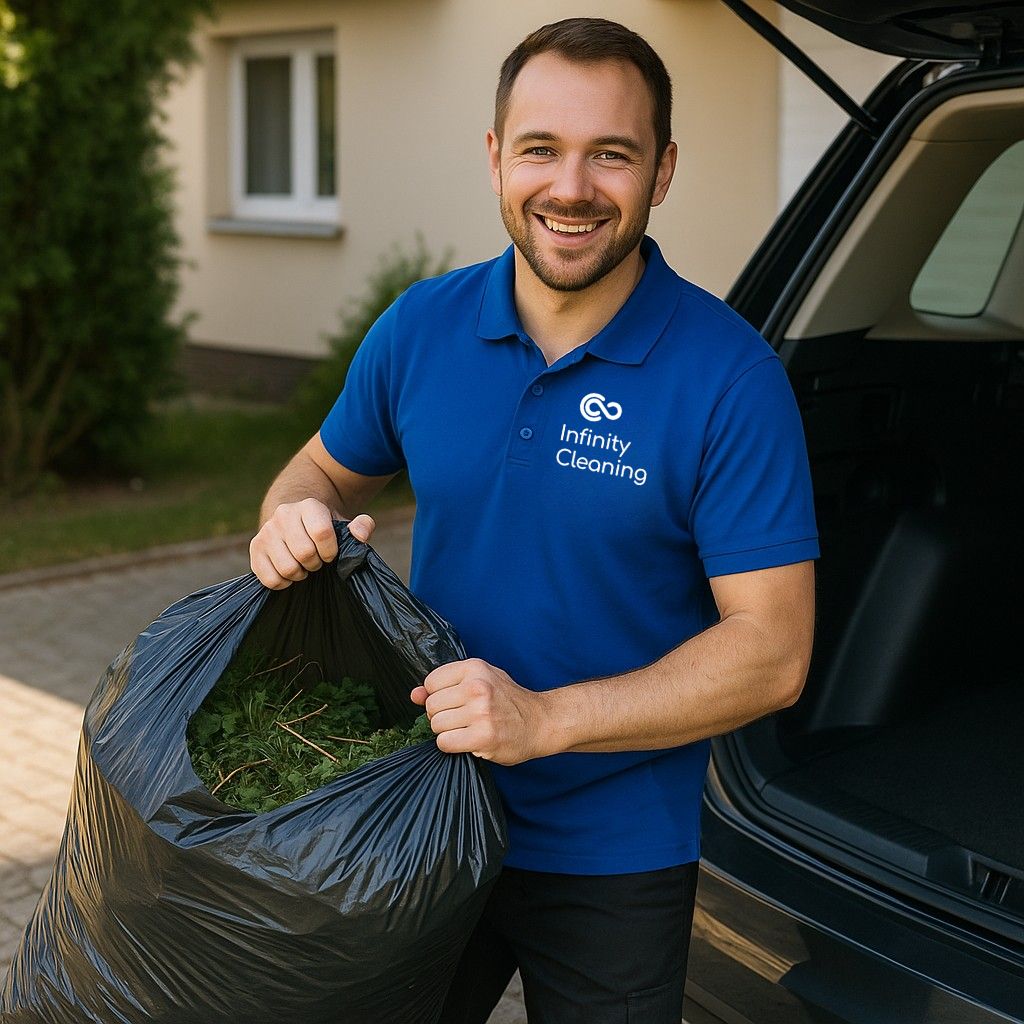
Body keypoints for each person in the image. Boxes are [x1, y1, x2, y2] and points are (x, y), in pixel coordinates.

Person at [250, 16, 818, 1024]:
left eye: (612, 154)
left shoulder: (732, 378)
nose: (571, 187)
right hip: (416, 813)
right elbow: (320, 474)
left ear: (663, 170)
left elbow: (772, 653)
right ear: (495, 158)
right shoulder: (421, 328)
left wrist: (546, 719)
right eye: (541, 149)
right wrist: (292, 519)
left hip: (616, 854)